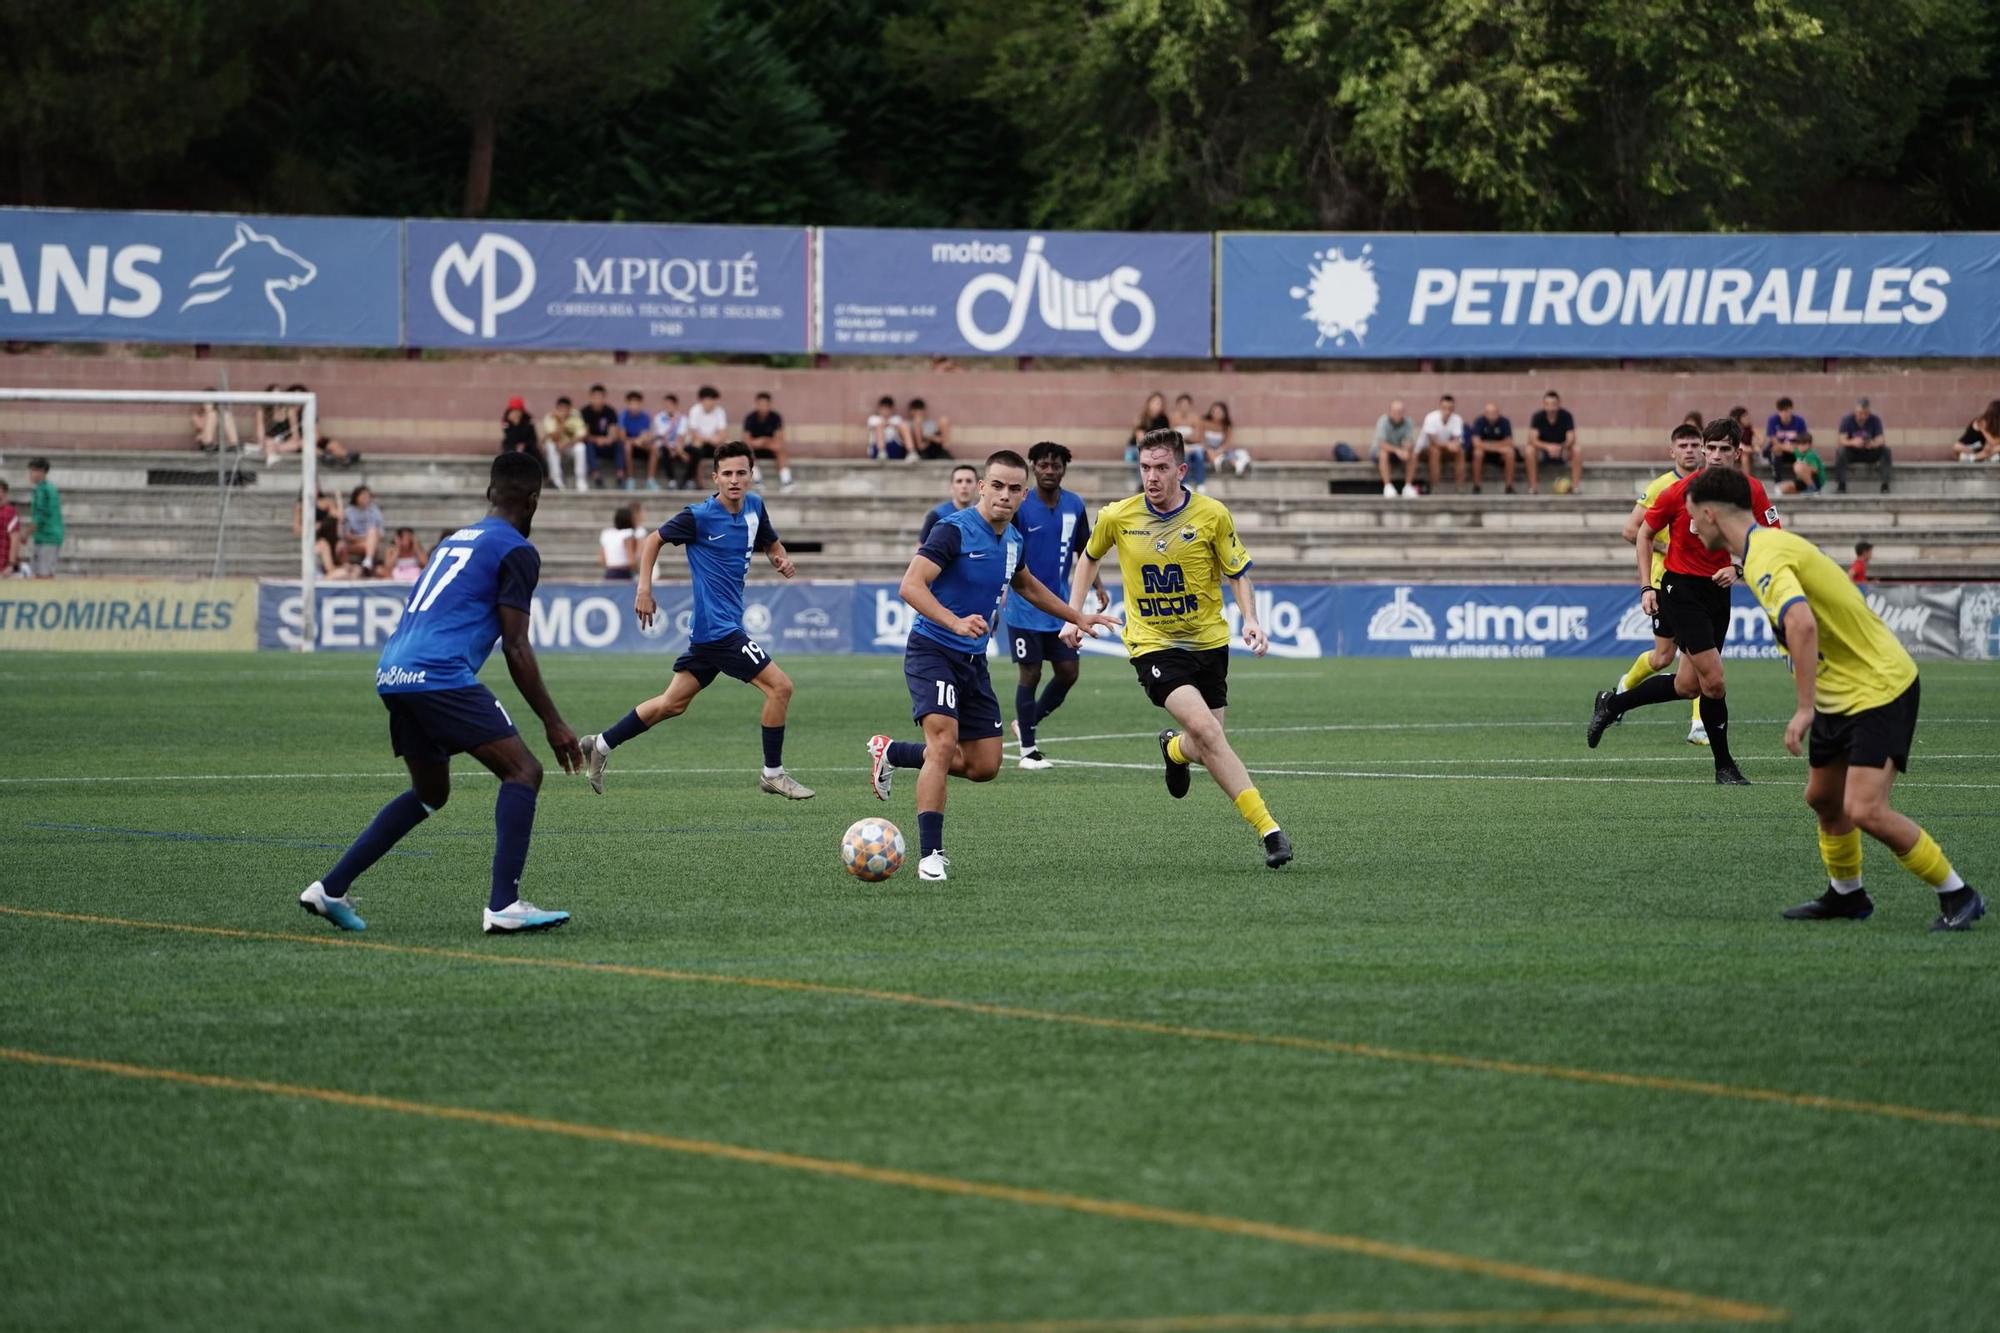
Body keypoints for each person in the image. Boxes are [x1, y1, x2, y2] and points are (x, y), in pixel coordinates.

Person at [297, 452, 582, 936]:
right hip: (438, 673)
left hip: (393, 670)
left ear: (489, 494)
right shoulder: (516, 550)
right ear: (534, 500)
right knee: (523, 771)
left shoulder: (456, 539)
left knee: (431, 791)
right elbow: (515, 644)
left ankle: (331, 888)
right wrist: (554, 722)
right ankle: (504, 904)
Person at [1685, 465, 1982, 930]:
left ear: (1708, 513)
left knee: (1865, 809)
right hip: (1840, 691)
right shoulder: (1761, 549)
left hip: (1879, 686)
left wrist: (1804, 708)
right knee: (1823, 798)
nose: (1689, 527)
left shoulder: (1763, 556)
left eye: (1691, 517)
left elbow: (1802, 624)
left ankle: (1958, 893)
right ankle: (1847, 895)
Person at [865, 451, 1120, 881]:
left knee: (984, 767)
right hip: (933, 650)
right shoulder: (953, 531)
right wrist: (954, 621)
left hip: (972, 661)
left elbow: (1026, 584)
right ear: (982, 487)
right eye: (996, 485)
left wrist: (1076, 615)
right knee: (943, 745)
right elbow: (911, 585)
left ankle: (890, 752)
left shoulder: (1013, 539)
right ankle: (931, 855)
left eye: (1013, 488)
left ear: (1024, 494)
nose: (1004, 495)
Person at [1062, 428, 1294, 870]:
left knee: (1207, 741)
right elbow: (1089, 556)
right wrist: (1075, 615)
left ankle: (1173, 751)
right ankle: (1271, 831)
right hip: (1153, 644)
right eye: (1145, 467)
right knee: (1209, 732)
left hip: (1209, 642)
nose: (1151, 476)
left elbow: (1238, 571)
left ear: (1181, 470)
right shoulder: (1117, 516)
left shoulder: (1212, 514)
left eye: (1161, 468)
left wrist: (1251, 619)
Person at [582, 442, 813, 801]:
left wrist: (780, 559)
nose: (734, 480)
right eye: (727, 474)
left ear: (751, 475)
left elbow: (771, 543)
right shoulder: (698, 516)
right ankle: (773, 773)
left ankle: (600, 744)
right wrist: (644, 588)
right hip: (718, 630)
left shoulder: (754, 507)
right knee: (780, 687)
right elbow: (653, 541)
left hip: (715, 631)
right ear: (715, 477)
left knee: (672, 704)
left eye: (741, 473)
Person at [1588, 418, 1781, 784]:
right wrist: (1647, 587)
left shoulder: (1752, 491)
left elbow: (1773, 538)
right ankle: (1724, 767)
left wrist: (1739, 567)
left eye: (1726, 449)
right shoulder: (1679, 491)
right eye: (1712, 448)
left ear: (1738, 453)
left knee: (1688, 686)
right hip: (1680, 590)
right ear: (1705, 451)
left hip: (1718, 592)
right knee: (1716, 681)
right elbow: (1643, 534)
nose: (1718, 455)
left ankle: (1612, 704)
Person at [1006, 441, 1109, 770]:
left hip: (1061, 609)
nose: (1049, 471)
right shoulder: (1021, 506)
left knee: (1068, 672)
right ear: (1033, 467)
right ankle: (1027, 751)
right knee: (1031, 674)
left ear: (1065, 469)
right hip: (1024, 608)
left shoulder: (1074, 505)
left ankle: (1027, 721)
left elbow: (1085, 549)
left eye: (1056, 465)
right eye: (1043, 465)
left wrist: (1098, 585)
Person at [1612, 423, 1707, 744]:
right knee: (1663, 657)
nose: (1690, 450)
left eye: (1695, 444)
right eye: (1684, 445)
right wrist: (1665, 549)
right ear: (1673, 451)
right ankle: (1626, 685)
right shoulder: (1660, 487)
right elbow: (1630, 530)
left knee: (1698, 652)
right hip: (1666, 581)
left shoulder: (1710, 485)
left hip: (1700, 582)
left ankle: (1698, 724)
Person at [1526, 390, 1581, 494]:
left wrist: (1560, 447)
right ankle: (1533, 488)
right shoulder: (1537, 417)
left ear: (1559, 404)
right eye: (1548, 404)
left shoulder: (1566, 416)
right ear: (1543, 404)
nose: (1551, 407)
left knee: (1577, 449)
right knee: (1529, 450)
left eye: (1554, 404)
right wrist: (1548, 447)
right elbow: (1532, 439)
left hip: (1561, 450)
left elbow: (1571, 438)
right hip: (1543, 450)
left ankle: (1575, 487)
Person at [1834, 397, 1891, 493]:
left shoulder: (1875, 419)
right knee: (1840, 451)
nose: (1863, 416)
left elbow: (1881, 439)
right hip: (1853, 453)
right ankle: (1841, 485)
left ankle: (1885, 485)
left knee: (1886, 450)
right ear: (1855, 411)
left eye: (1866, 414)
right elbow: (1841, 440)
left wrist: (1873, 444)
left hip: (1869, 452)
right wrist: (1852, 442)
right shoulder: (1847, 419)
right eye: (1860, 413)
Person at [742, 391, 796, 490]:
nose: (763, 407)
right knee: (746, 451)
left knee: (781, 451)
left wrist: (763, 441)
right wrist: (762, 442)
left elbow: (779, 441)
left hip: (771, 449)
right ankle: (758, 482)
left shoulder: (775, 418)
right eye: (760, 404)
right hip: (755, 450)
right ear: (756, 405)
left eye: (765, 404)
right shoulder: (750, 418)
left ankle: (786, 482)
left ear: (769, 405)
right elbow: (746, 441)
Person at [579, 384, 628, 490]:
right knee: (587, 444)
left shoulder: (610, 411)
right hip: (593, 444)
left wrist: (608, 439)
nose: (597, 400)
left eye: (600, 397)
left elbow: (613, 431)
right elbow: (584, 434)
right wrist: (596, 439)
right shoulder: (584, 412)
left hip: (607, 444)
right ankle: (596, 475)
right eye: (595, 397)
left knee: (619, 443)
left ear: (604, 397)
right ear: (591, 397)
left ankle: (620, 475)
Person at [1417, 393, 1468, 495]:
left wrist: (1455, 445)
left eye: (1450, 408)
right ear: (1440, 407)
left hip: (1444, 450)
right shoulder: (1431, 417)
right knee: (1435, 451)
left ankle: (1460, 487)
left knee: (1460, 451)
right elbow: (1433, 442)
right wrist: (1450, 445)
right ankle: (1435, 486)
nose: (1447, 411)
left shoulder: (1457, 419)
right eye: (1445, 408)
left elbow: (1456, 439)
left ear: (1453, 408)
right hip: (1424, 451)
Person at [919, 464, 980, 544]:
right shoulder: (936, 515)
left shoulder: (984, 515)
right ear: (951, 487)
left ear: (978, 486)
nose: (964, 486)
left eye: (969, 481)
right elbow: (921, 548)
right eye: (959, 481)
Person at [23, 458, 62, 579]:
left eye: (32, 471)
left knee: (43, 576)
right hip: (48, 536)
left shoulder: (42, 490)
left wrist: (25, 534)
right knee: (44, 574)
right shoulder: (50, 488)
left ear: (41, 472)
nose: (30, 475)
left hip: (47, 537)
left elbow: (40, 516)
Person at [1467, 401, 1516, 493]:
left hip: (1499, 454)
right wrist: (1496, 448)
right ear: (1485, 413)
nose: (1491, 415)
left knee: (1510, 453)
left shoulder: (1504, 421)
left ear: (1498, 413)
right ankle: (1477, 486)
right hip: (1485, 452)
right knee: (1477, 453)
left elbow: (1509, 441)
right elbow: (1476, 443)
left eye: (1494, 412)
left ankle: (1509, 486)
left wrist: (1488, 445)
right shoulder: (1479, 421)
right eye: (1489, 413)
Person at [541, 395, 587, 490]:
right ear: (557, 408)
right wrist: (562, 422)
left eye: (565, 408)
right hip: (555, 446)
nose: (563, 411)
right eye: (561, 408)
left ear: (570, 409)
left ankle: (580, 479)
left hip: (569, 446)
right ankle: (557, 479)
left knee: (581, 447)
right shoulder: (550, 417)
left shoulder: (575, 417)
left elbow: (581, 436)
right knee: (551, 446)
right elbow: (552, 437)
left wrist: (566, 444)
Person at [1374, 399, 1418, 497]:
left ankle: (1408, 486)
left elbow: (1409, 441)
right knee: (1383, 453)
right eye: (1395, 411)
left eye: (1400, 412)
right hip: (1381, 453)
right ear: (1390, 412)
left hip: (1399, 453)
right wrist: (1397, 450)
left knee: (1413, 454)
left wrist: (1406, 449)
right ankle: (1387, 486)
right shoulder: (1383, 421)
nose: (1397, 414)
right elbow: (1381, 443)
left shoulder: (1408, 422)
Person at [343, 484, 386, 576]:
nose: (365, 498)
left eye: (367, 496)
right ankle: (368, 562)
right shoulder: (348, 512)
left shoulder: (374, 511)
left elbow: (381, 533)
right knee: (371, 538)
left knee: (373, 531)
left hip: (372, 540)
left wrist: (371, 538)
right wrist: (367, 539)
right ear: (356, 497)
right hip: (355, 543)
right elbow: (347, 535)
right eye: (363, 495)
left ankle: (368, 561)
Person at [685, 385, 727, 476]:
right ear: (702, 400)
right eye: (708, 399)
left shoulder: (720, 411)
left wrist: (715, 439)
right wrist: (708, 439)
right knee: (697, 446)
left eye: (713, 400)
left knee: (726, 447)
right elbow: (693, 433)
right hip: (698, 444)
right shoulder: (695, 410)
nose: (711, 402)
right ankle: (695, 481)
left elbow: (722, 433)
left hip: (713, 443)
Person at [1765, 397, 1806, 483]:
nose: (1785, 413)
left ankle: (1800, 482)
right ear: (1778, 411)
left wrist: (1794, 448)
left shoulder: (1800, 421)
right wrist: (1787, 448)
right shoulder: (1773, 420)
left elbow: (1803, 441)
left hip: (1793, 450)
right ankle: (1778, 481)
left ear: (1791, 409)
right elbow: (1773, 440)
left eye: (1787, 410)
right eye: (1782, 411)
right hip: (1778, 450)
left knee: (1803, 451)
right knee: (1776, 450)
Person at [620, 391, 655, 491]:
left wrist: (642, 439)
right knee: (627, 445)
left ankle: (650, 480)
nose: (634, 406)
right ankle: (630, 479)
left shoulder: (646, 416)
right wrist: (635, 440)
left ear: (641, 404)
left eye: (637, 403)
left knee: (654, 448)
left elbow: (647, 435)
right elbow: (622, 437)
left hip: (641, 445)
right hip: (630, 446)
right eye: (632, 403)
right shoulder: (623, 416)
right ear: (628, 404)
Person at [653, 392, 688, 489]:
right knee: (664, 450)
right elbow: (662, 436)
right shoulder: (659, 418)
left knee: (694, 452)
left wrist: (677, 450)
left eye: (670, 404)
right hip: (665, 446)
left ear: (676, 405)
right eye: (666, 405)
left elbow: (681, 436)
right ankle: (671, 480)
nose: (668, 407)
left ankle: (687, 480)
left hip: (678, 446)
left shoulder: (682, 419)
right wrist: (671, 449)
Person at [1171, 393, 1206, 490]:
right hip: (1179, 446)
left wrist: (1183, 437)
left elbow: (1197, 437)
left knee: (1199, 454)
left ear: (1190, 406)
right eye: (1182, 405)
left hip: (1194, 445)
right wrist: (1184, 440)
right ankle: (1185, 482)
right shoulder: (1173, 418)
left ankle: (1200, 483)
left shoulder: (1196, 418)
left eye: (1186, 405)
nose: (1184, 407)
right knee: (1184, 455)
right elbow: (1172, 436)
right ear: (1178, 405)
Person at [1206, 401, 1250, 477]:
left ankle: (1239, 467)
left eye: (1219, 412)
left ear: (1224, 413)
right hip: (1207, 450)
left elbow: (1227, 443)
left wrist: (1219, 451)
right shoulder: (1204, 423)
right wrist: (1209, 450)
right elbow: (1201, 440)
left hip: (1221, 450)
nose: (1216, 413)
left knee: (1233, 454)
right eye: (1214, 411)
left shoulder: (1227, 426)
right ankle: (1222, 465)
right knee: (1213, 457)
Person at [598, 504, 641, 580]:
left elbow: (602, 559)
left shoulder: (606, 533)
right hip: (624, 574)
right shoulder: (628, 534)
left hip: (609, 574)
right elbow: (631, 560)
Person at [867, 395, 911, 461]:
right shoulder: (873, 419)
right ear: (879, 408)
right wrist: (889, 424)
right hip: (877, 449)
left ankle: (911, 452)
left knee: (904, 426)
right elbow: (876, 426)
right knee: (879, 427)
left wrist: (892, 424)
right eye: (883, 408)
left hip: (894, 448)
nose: (885, 411)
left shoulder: (897, 419)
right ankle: (882, 452)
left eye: (888, 409)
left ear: (892, 409)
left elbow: (901, 428)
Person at [0, 479, 18, 577]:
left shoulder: (10, 512)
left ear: (5, 493)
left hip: (3, 567)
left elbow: (15, 539)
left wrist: (11, 564)